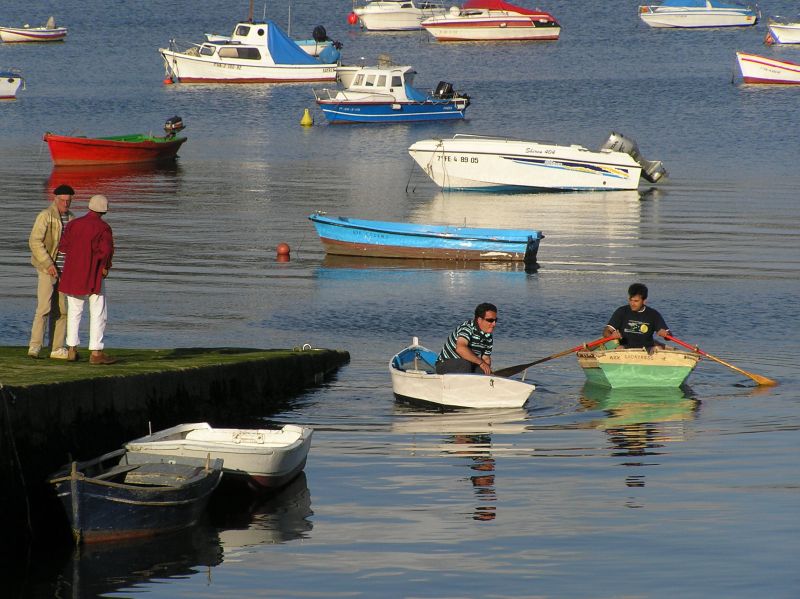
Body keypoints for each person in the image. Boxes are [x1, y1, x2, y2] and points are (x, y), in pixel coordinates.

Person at [58, 194, 117, 365]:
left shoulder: (74, 224)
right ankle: (96, 352)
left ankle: (71, 349)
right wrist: (105, 266)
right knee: (98, 311)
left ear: (90, 207)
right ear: (104, 210)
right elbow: (105, 251)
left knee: (74, 311)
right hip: (93, 273)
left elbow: (63, 246)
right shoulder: (103, 228)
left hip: (72, 273)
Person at [28, 184, 75, 359]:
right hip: (46, 269)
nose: (65, 204)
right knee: (44, 308)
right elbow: (34, 241)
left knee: (62, 310)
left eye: (68, 201)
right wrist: (48, 263)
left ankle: (56, 347)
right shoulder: (46, 216)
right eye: (63, 200)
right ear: (55, 199)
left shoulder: (72, 218)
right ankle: (35, 346)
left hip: (65, 271)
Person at [435, 303, 497, 375]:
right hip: (444, 364)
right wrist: (481, 363)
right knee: (465, 365)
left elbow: (486, 358)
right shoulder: (467, 328)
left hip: (466, 365)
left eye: (496, 320)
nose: (494, 324)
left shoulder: (488, 336)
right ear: (479, 320)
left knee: (481, 371)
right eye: (490, 320)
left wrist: (488, 371)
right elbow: (460, 349)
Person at [604, 283, 670, 350]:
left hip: (647, 350)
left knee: (659, 348)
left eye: (636, 301)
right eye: (630, 300)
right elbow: (606, 331)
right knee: (619, 348)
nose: (632, 304)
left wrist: (666, 335)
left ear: (644, 301)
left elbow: (669, 336)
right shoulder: (621, 311)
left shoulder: (653, 314)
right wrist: (611, 336)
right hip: (625, 348)